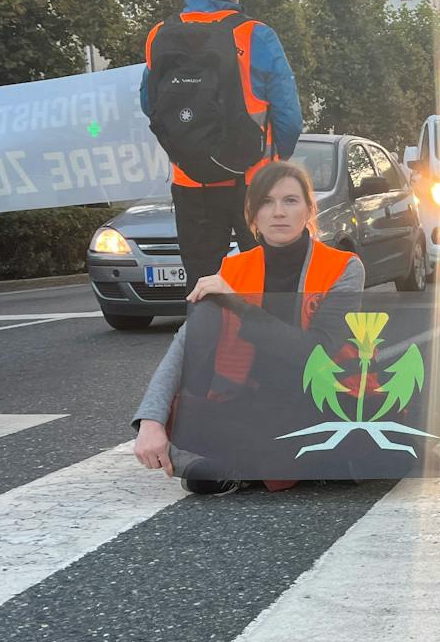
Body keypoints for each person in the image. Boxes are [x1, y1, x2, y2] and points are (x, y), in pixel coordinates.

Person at [132, 160, 364, 494]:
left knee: (384, 439)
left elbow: (316, 354)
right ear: (252, 216)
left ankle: (233, 464)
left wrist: (239, 305)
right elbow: (186, 342)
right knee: (177, 413)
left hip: (321, 398)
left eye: (290, 200)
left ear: (309, 210)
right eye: (266, 203)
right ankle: (263, 462)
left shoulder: (344, 267)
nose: (278, 212)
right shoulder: (232, 269)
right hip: (249, 403)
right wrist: (150, 421)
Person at [139, 0, 304, 290]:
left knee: (201, 286)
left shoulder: (159, 35)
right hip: (253, 183)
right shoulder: (256, 35)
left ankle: (206, 342)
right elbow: (289, 118)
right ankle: (268, 343)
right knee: (270, 282)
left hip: (191, 184)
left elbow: (148, 103)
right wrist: (275, 164)